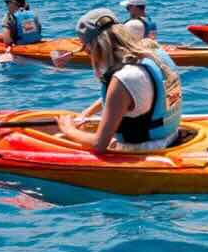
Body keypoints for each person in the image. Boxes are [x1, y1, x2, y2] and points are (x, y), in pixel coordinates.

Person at [54, 9, 184, 155]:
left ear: (94, 48)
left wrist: (68, 129)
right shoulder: (155, 54)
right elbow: (128, 95)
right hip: (172, 138)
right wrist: (87, 113)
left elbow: (99, 144)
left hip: (143, 150)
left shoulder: (124, 79)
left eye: (86, 50)